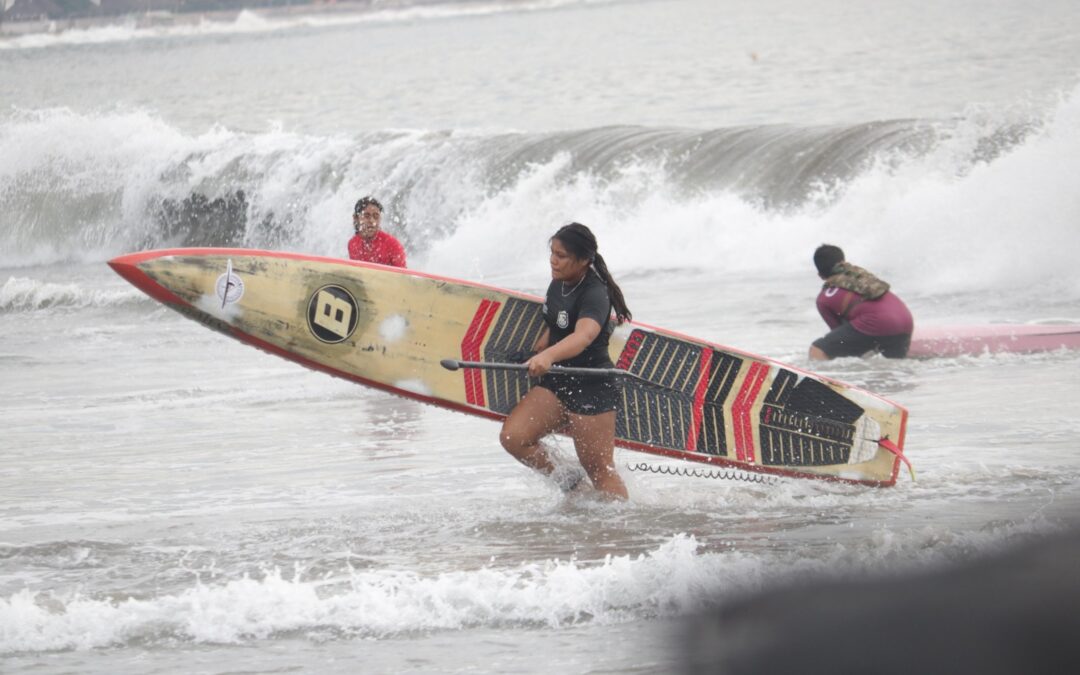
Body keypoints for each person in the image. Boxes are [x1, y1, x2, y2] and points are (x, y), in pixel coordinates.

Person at [499, 223, 632, 500]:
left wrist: (548, 356)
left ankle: (621, 521)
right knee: (515, 438)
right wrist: (540, 348)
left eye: (561, 256)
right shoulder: (559, 282)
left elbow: (584, 335)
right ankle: (573, 486)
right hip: (558, 381)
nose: (553, 260)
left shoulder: (595, 293)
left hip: (591, 384)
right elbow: (558, 322)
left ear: (583, 260)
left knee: (599, 469)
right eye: (552, 253)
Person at [810, 244, 914, 360]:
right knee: (892, 365)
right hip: (905, 321)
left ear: (820, 275)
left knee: (817, 349)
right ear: (844, 263)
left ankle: (815, 373)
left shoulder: (823, 299)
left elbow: (842, 340)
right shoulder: (863, 277)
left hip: (876, 323)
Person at [347, 196, 407, 267]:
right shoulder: (353, 244)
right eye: (367, 216)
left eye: (376, 216)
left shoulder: (393, 245)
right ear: (356, 218)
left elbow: (402, 273)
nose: (372, 221)